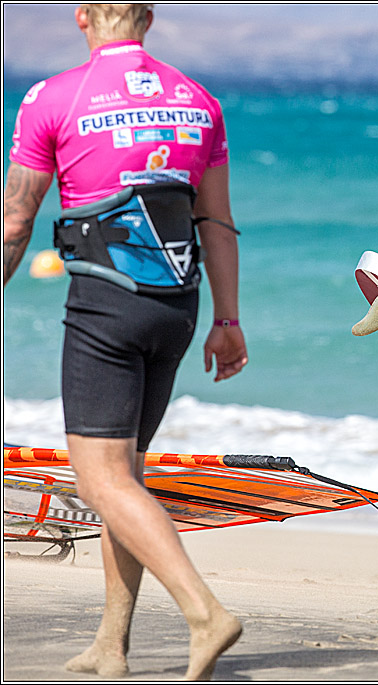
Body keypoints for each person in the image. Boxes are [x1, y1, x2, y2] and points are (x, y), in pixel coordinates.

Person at [3, 5, 246, 680]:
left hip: (106, 304)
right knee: (124, 476)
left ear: (82, 16)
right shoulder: (199, 101)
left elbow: (16, 221)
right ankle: (112, 643)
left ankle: (204, 611)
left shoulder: (54, 97)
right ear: (147, 17)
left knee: (99, 478)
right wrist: (228, 322)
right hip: (180, 307)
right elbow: (216, 221)